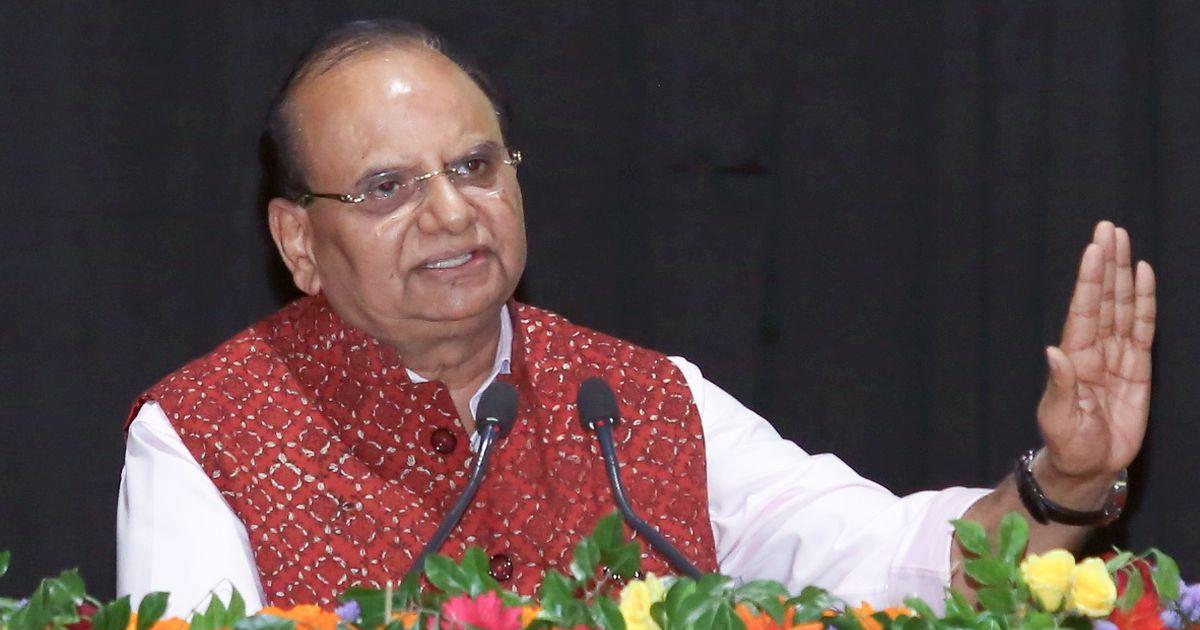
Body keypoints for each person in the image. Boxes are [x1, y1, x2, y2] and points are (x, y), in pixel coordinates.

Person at [116, 19, 1157, 618]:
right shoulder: (205, 434)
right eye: (388, 187)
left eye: (475, 166)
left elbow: (893, 564)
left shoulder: (633, 401)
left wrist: (1064, 482)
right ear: (299, 243)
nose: (451, 213)